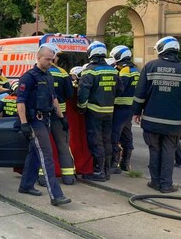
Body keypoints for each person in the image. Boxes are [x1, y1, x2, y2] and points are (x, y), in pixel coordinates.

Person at [133, 36, 181, 193]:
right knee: (169, 151)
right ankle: (166, 185)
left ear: (161, 49)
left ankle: (155, 182)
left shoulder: (150, 66)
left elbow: (140, 93)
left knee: (154, 150)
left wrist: (136, 112)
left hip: (151, 119)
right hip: (174, 122)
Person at [16, 44, 71, 207]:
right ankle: (56, 195)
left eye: (52, 59)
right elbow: (20, 102)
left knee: (34, 154)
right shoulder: (28, 77)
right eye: (47, 59)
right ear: (38, 58)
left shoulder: (48, 76)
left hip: (46, 119)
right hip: (34, 121)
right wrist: (24, 123)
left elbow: (54, 99)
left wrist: (62, 118)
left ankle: (26, 185)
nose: (50, 62)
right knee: (46, 155)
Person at [77, 41, 122, 181]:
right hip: (109, 111)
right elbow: (120, 90)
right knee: (106, 140)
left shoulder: (89, 70)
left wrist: (81, 107)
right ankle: (106, 171)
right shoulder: (113, 70)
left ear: (91, 54)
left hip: (93, 110)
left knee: (95, 140)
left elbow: (83, 92)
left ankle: (98, 172)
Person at [38, 43, 76, 185]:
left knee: (43, 147)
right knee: (62, 145)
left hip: (41, 116)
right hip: (60, 116)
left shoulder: (36, 72)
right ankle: (68, 177)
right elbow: (69, 94)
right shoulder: (62, 73)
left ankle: (43, 177)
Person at [108, 45, 140, 174]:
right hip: (130, 108)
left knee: (114, 135)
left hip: (120, 108)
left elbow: (119, 88)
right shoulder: (135, 70)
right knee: (127, 135)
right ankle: (125, 164)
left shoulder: (125, 71)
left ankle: (114, 164)